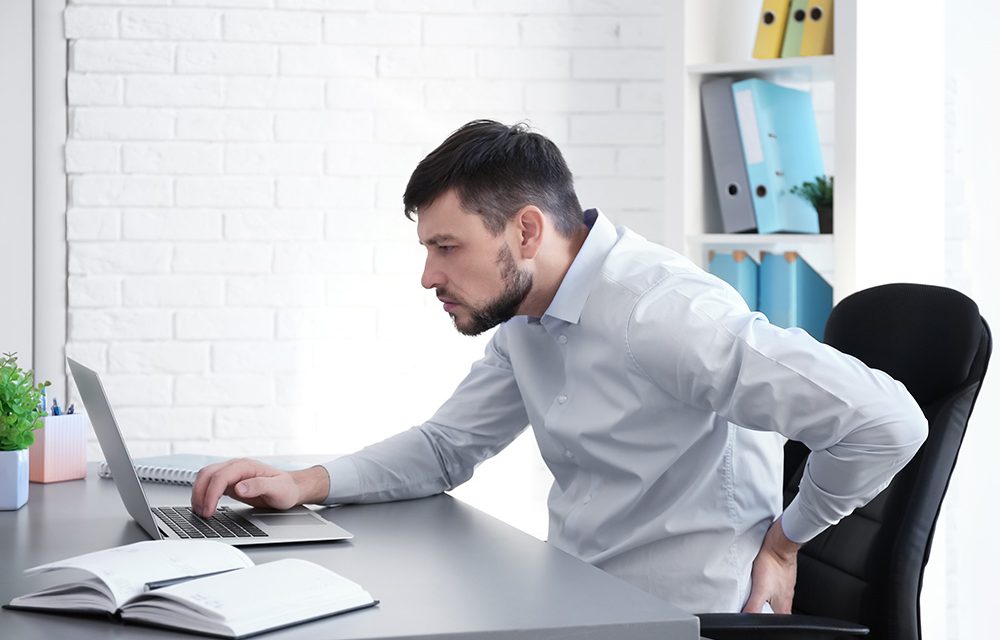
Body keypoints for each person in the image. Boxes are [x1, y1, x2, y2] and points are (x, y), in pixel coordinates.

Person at [191, 120, 927, 614]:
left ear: (527, 230)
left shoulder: (664, 315)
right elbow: (448, 447)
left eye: (446, 248)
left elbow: (886, 421)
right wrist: (303, 484)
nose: (427, 276)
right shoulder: (530, 316)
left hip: (682, 618)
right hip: (579, 599)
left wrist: (787, 539)